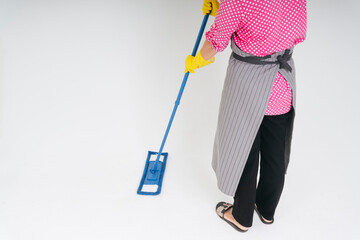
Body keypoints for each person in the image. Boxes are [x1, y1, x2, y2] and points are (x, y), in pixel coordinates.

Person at [185, 0, 307, 232]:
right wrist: (221, 9)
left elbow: (217, 41)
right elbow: (289, 28)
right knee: (275, 151)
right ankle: (267, 208)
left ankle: (241, 216)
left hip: (248, 84)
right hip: (282, 82)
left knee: (243, 147)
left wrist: (199, 59)